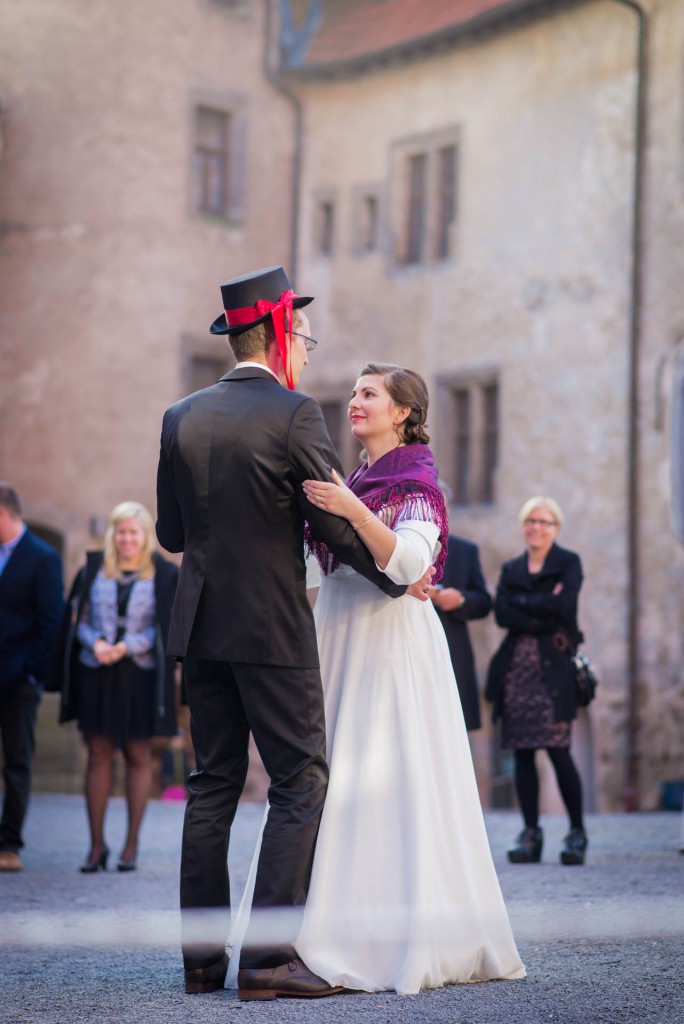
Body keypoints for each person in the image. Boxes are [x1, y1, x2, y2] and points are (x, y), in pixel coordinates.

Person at [155, 268, 426, 999]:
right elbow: (332, 518)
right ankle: (270, 964)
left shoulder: (178, 415)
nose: (304, 350)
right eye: (302, 336)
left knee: (210, 786)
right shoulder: (295, 413)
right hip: (273, 627)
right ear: (278, 335)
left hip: (201, 625)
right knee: (300, 782)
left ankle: (202, 963)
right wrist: (397, 575)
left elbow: (172, 534)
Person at [231, 362, 525, 995]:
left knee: (384, 775)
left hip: (389, 644)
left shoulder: (416, 479)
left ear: (403, 413)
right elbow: (316, 563)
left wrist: (352, 510)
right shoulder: (351, 476)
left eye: (370, 395)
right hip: (334, 636)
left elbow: (411, 563)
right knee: (321, 778)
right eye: (356, 393)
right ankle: (305, 934)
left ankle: (383, 939)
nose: (356, 403)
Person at [56, 501, 178, 872]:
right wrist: (95, 643)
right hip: (97, 671)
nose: (126, 539)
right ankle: (96, 847)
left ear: (144, 536)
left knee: (138, 754)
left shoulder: (164, 574)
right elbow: (79, 619)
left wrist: (127, 646)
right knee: (98, 753)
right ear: (113, 534)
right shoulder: (94, 570)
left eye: (133, 532)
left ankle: (130, 846)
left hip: (141, 676)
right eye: (120, 531)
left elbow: (166, 627)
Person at [485, 496, 588, 866]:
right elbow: (501, 614)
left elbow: (565, 608)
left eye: (544, 522)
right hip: (517, 671)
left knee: (558, 750)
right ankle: (531, 833)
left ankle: (577, 832)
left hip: (553, 672)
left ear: (555, 528)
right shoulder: (512, 568)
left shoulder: (568, 562)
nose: (536, 527)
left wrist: (525, 606)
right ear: (523, 525)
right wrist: (543, 604)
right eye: (531, 520)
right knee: (523, 752)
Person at [0, 484, 64, 872]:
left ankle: (9, 843)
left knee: (17, 763)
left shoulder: (43, 558)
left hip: (19, 680)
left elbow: (50, 623)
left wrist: (30, 673)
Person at [429, 528, 492, 731]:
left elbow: (483, 603)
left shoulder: (465, 550)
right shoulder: (395, 543)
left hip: (452, 651)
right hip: (405, 649)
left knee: (453, 728)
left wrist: (460, 599)